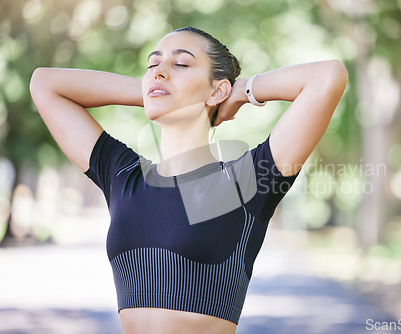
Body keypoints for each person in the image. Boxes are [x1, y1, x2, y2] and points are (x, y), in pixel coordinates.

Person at [30, 27, 348, 334]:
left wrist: (242, 91)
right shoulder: (124, 176)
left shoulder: (245, 182)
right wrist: (155, 93)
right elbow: (44, 83)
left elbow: (327, 77)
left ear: (217, 89)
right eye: (153, 65)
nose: (159, 71)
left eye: (181, 64)